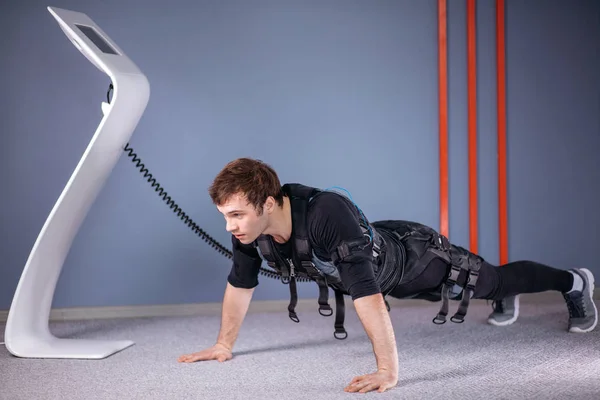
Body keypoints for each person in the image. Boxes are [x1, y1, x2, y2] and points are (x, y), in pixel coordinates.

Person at [178, 158, 597, 394]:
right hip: (379, 266)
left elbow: (367, 294)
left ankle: (574, 282)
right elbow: (240, 284)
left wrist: (387, 370)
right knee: (452, 296)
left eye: (236, 215)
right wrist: (222, 344)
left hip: (417, 260)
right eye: (225, 217)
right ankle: (501, 296)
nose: (230, 226)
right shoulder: (248, 232)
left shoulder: (325, 212)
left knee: (492, 282)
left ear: (268, 203)